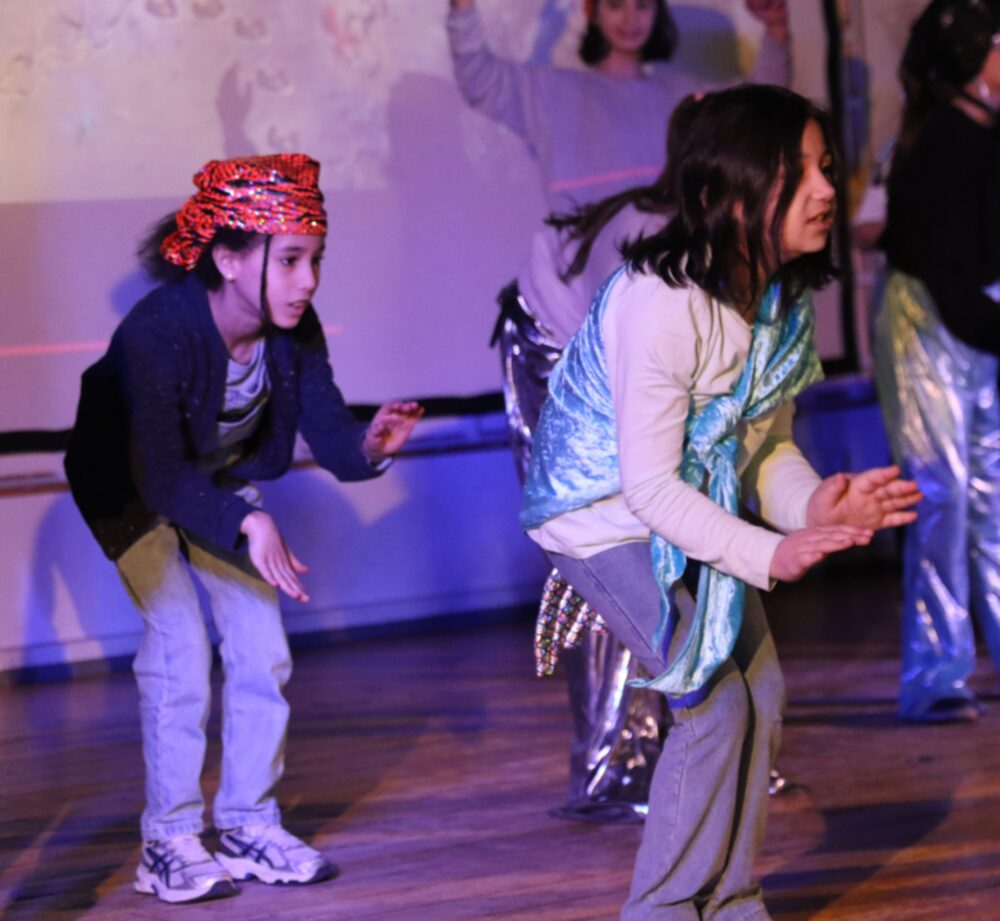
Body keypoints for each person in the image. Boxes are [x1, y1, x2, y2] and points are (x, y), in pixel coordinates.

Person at [521, 84, 921, 920]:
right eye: (796, 172)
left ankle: (731, 899)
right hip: (599, 515)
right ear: (723, 193)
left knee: (761, 694)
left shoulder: (779, 301)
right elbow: (649, 486)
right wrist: (770, 549)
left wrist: (816, 506)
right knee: (711, 702)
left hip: (686, 502)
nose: (826, 188)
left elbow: (763, 446)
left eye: (826, 166)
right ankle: (663, 910)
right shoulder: (664, 301)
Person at [448, 0, 792, 822]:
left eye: (644, 1)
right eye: (616, 1)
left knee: (682, 530)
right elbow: (482, 79)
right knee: (605, 541)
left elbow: (763, 124)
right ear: (593, 12)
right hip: (560, 343)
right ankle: (616, 759)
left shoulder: (688, 118)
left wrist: (779, 35)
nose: (632, 15)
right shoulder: (563, 104)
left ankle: (705, 741)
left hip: (632, 344)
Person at [63, 154, 423, 904]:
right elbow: (160, 477)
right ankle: (168, 842)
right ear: (226, 259)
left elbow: (329, 431)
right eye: (289, 260)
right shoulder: (157, 332)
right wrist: (249, 517)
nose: (308, 280)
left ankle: (248, 825)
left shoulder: (295, 330)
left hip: (212, 480)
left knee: (261, 644)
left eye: (315, 260)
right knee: (179, 645)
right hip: (131, 486)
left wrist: (369, 445)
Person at [872, 0, 1000, 723]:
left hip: (976, 321)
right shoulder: (941, 143)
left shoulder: (983, 135)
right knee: (940, 495)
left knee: (993, 492)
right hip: (926, 325)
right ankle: (935, 673)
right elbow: (951, 282)